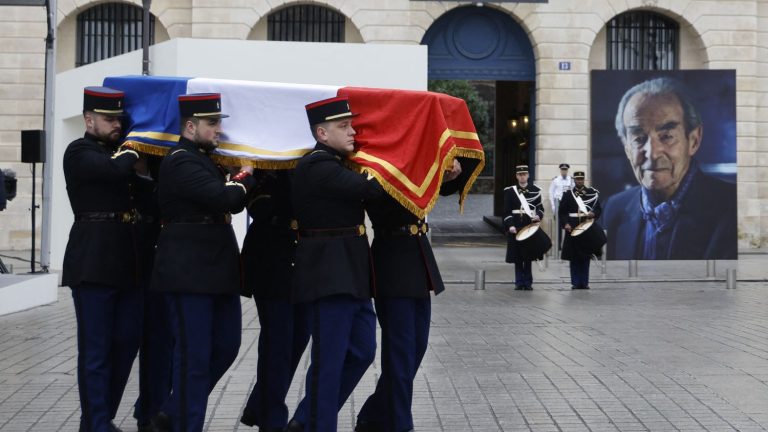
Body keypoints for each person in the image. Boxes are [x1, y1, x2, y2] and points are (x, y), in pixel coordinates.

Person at [150, 93, 254, 432]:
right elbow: (226, 199)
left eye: (219, 122)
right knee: (193, 359)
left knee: (226, 347)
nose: (219, 130)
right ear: (190, 126)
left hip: (218, 270)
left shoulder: (206, 160)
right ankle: (184, 423)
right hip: (188, 271)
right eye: (212, 124)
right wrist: (245, 178)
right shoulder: (181, 159)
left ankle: (171, 412)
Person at [287, 96, 384, 432]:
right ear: (322, 133)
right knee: (328, 361)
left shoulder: (338, 163)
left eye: (351, 125)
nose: (353, 132)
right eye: (344, 127)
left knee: (362, 351)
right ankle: (316, 424)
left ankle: (305, 418)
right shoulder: (317, 165)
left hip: (352, 273)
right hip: (327, 274)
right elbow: (369, 190)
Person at [62, 86, 153, 432]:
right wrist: (133, 146)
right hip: (93, 263)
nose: (117, 124)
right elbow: (112, 172)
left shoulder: (122, 156)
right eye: (109, 119)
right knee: (96, 352)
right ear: (89, 119)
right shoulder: (79, 151)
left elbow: (146, 195)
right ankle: (98, 424)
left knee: (128, 341)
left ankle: (97, 418)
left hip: (127, 263)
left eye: (120, 119)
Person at [355, 159, 462, 432]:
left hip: (416, 256)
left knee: (417, 346)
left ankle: (375, 413)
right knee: (400, 352)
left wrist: (446, 174)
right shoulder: (374, 163)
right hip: (392, 256)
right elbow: (384, 197)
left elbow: (435, 189)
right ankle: (399, 424)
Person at [603, 77, 737, 260]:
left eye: (666, 136)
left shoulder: (732, 209)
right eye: (639, 138)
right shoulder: (612, 210)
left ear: (694, 140)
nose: (652, 153)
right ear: (627, 147)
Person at [240, 169, 310, 431]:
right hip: (270, 262)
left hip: (301, 259)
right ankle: (272, 420)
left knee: (300, 337)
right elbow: (261, 208)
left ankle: (258, 405)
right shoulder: (263, 169)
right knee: (277, 344)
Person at [132, 154, 172, 432]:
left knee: (163, 343)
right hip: (139, 260)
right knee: (150, 341)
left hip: (169, 262)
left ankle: (154, 408)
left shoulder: (165, 165)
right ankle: (149, 409)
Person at [503, 165, 545, 290]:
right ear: (517, 176)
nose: (522, 176)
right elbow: (506, 211)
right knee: (517, 256)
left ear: (528, 175)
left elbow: (540, 208)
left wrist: (538, 215)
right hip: (516, 225)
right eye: (520, 175)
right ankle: (519, 282)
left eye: (524, 174)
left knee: (528, 255)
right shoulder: (510, 191)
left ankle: (528, 282)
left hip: (529, 225)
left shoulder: (535, 190)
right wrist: (510, 225)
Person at [559, 171, 602, 289]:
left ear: (584, 180)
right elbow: (562, 212)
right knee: (574, 256)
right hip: (572, 227)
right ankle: (575, 282)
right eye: (577, 179)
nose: (579, 181)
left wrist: (593, 214)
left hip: (586, 226)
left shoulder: (591, 193)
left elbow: (598, 208)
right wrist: (565, 223)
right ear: (574, 180)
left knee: (585, 255)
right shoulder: (568, 194)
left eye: (581, 179)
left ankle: (585, 282)